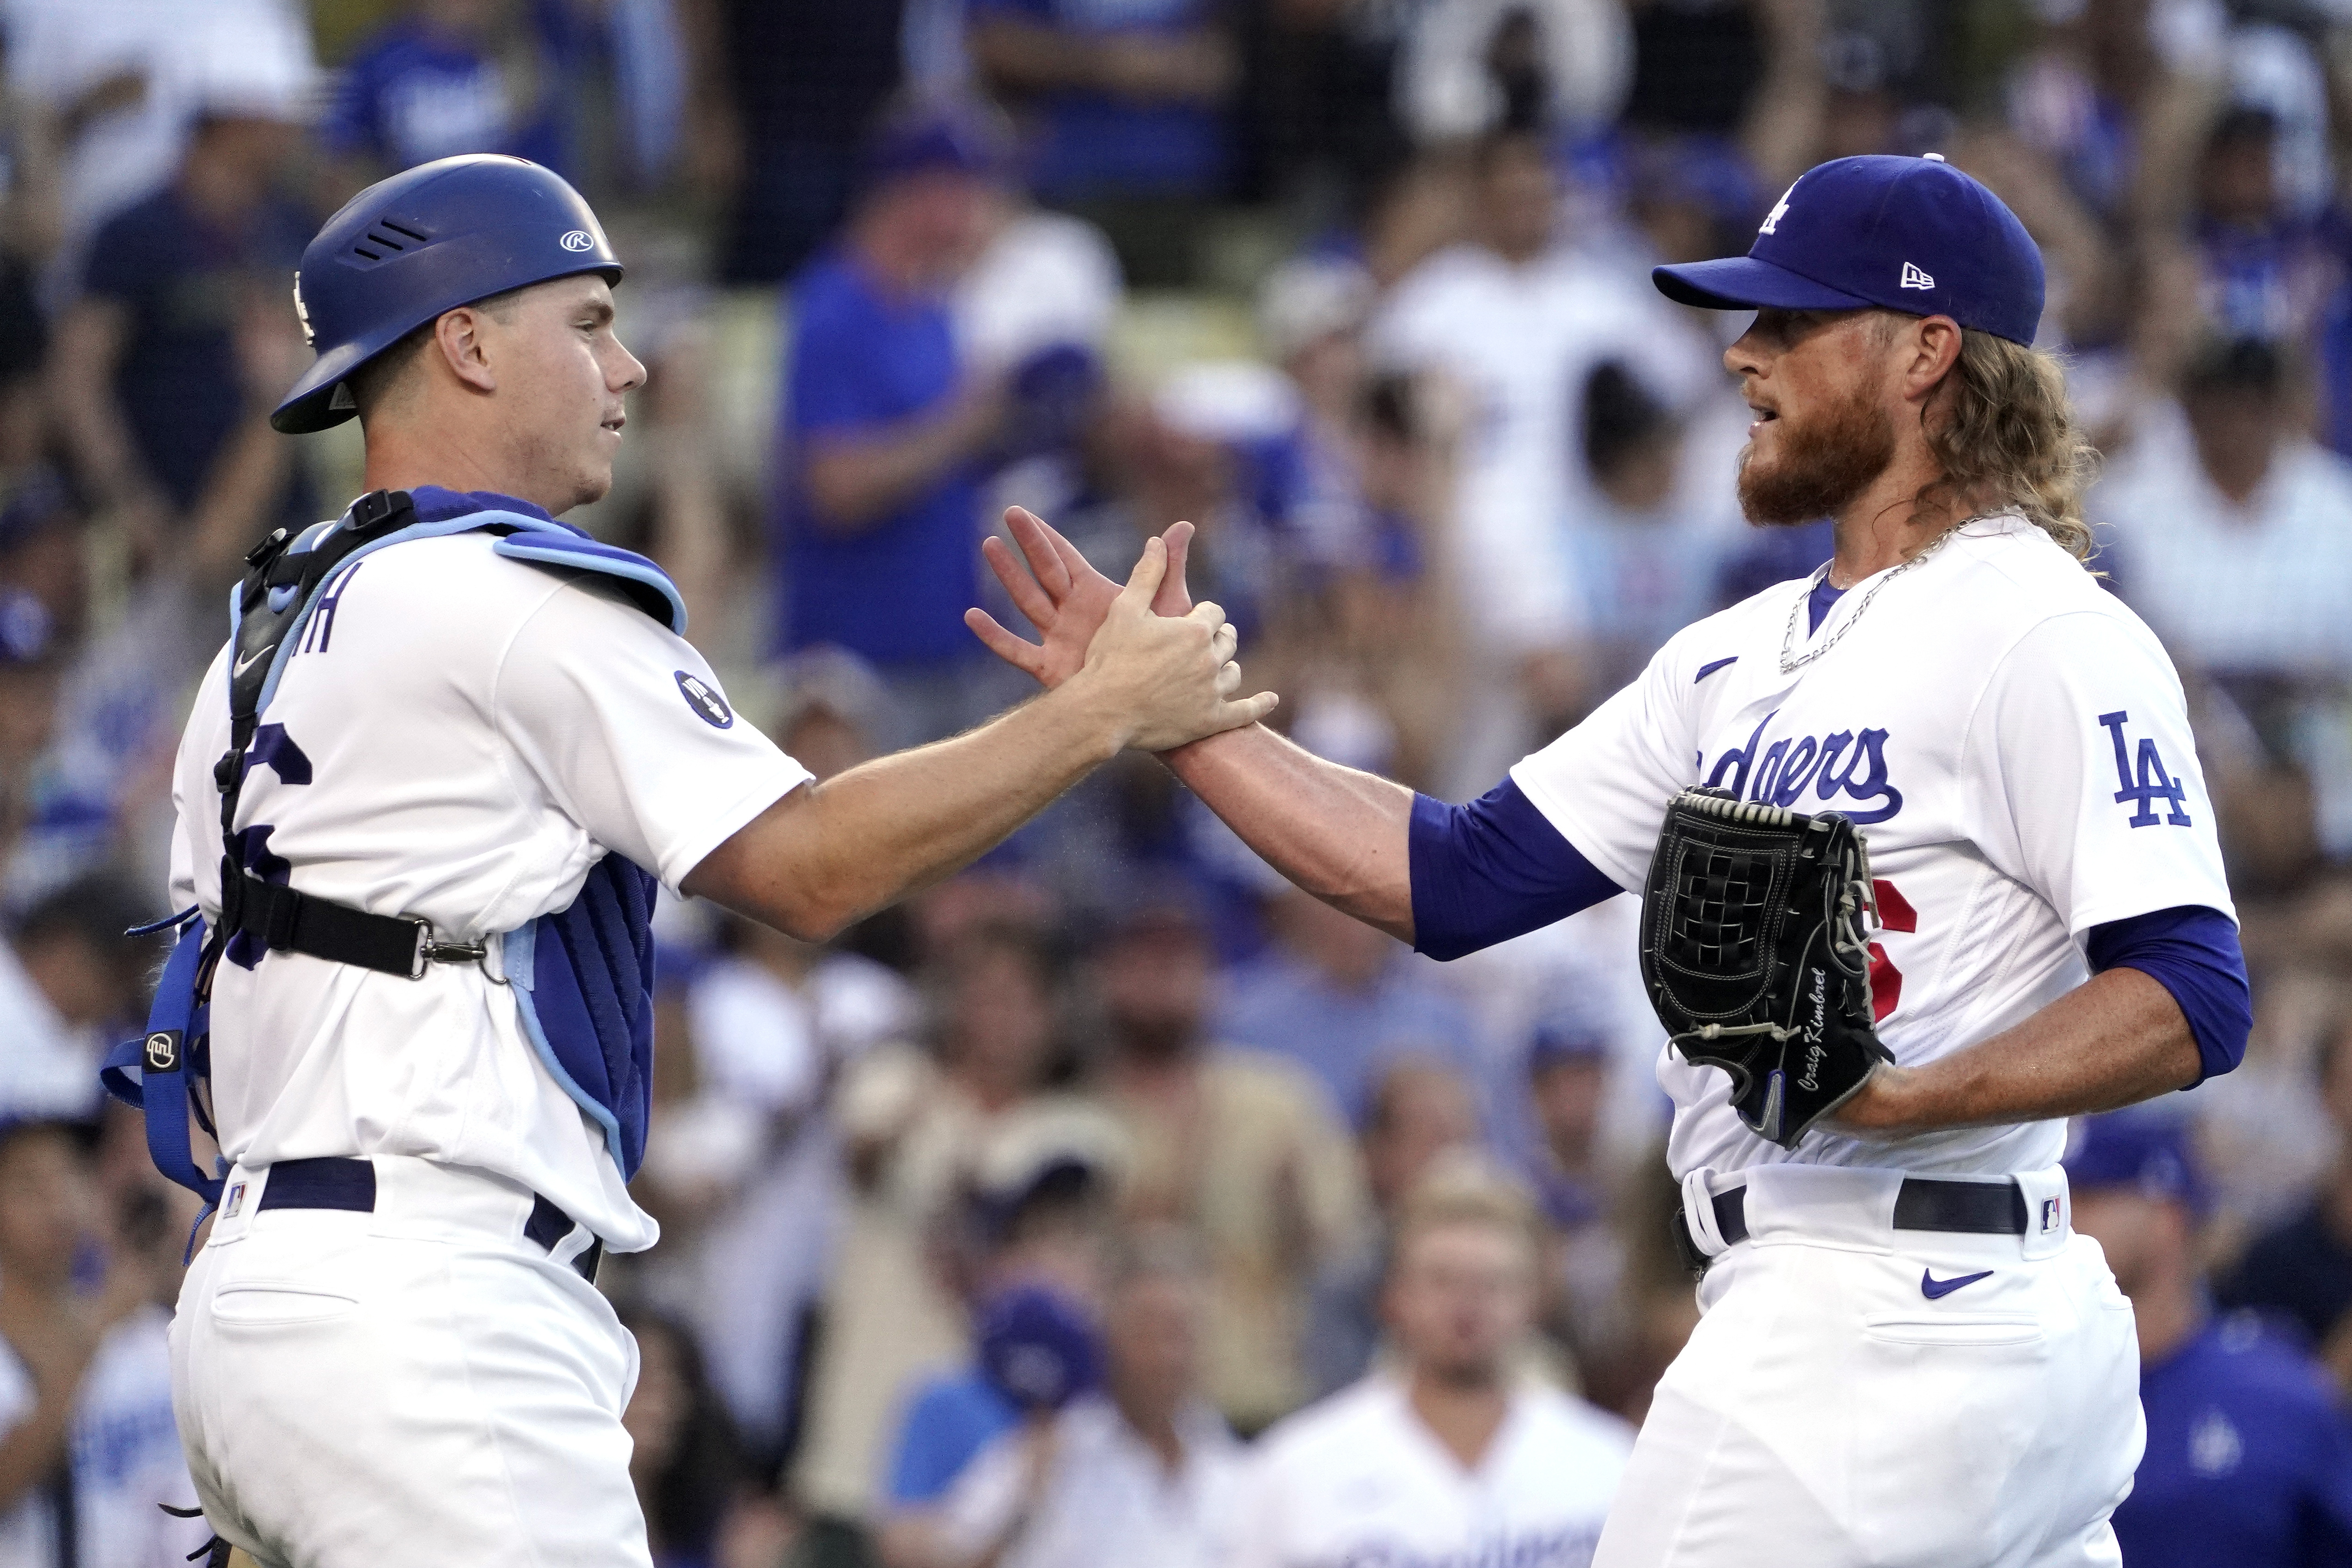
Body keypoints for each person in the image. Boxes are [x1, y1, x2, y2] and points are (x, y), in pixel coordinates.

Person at [972, 153, 2254, 1566]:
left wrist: (1902, 1097)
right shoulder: (1732, 657)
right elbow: (1454, 878)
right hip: (1878, 1305)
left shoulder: (2041, 628)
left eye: (1788, 322)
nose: (1741, 353)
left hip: (1881, 1308)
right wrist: (1176, 723)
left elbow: (2191, 991)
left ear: (1925, 354)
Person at [153, 152, 1270, 1568]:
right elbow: (807, 867)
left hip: (253, 1301)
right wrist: (1100, 710)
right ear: (468, 341)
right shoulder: (512, 598)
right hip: (431, 1312)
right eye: (587, 320)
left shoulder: (258, 641)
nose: (626, 367)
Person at [1228, 1159, 1632, 1568]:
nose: (1468, 1303)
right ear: (1394, 1295)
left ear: (1534, 1299)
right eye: (1442, 1280)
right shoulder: (1295, 1472)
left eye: (1494, 1282)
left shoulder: (1609, 1464)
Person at [776, 101, 1027, 749]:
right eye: (969, 188)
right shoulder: (834, 309)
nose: (982, 208)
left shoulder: (934, 307)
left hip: (947, 648)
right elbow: (834, 489)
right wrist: (962, 426)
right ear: (919, 192)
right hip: (860, 665)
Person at [1089, 894, 1368, 1433]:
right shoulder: (1074, 1113)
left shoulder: (1278, 1099)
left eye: (1178, 963)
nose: (1161, 983)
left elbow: (1343, 1251)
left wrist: (1297, 1219)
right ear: (1107, 978)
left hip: (1258, 1392)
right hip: (1119, 1409)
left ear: (1211, 979)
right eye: (1141, 965)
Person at [2067, 1111, 2352, 1567]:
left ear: (2167, 1217)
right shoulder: (2026, 1383)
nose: (2062, 1220)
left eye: (2087, 1195)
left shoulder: (2277, 1393)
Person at [919, 1229, 1243, 1568]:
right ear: (1108, 1338)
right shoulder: (1056, 1448)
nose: (1168, 1356)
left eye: (1182, 1334)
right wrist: (1028, 1501)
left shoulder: (1227, 1461)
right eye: (1151, 1333)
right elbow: (950, 1556)